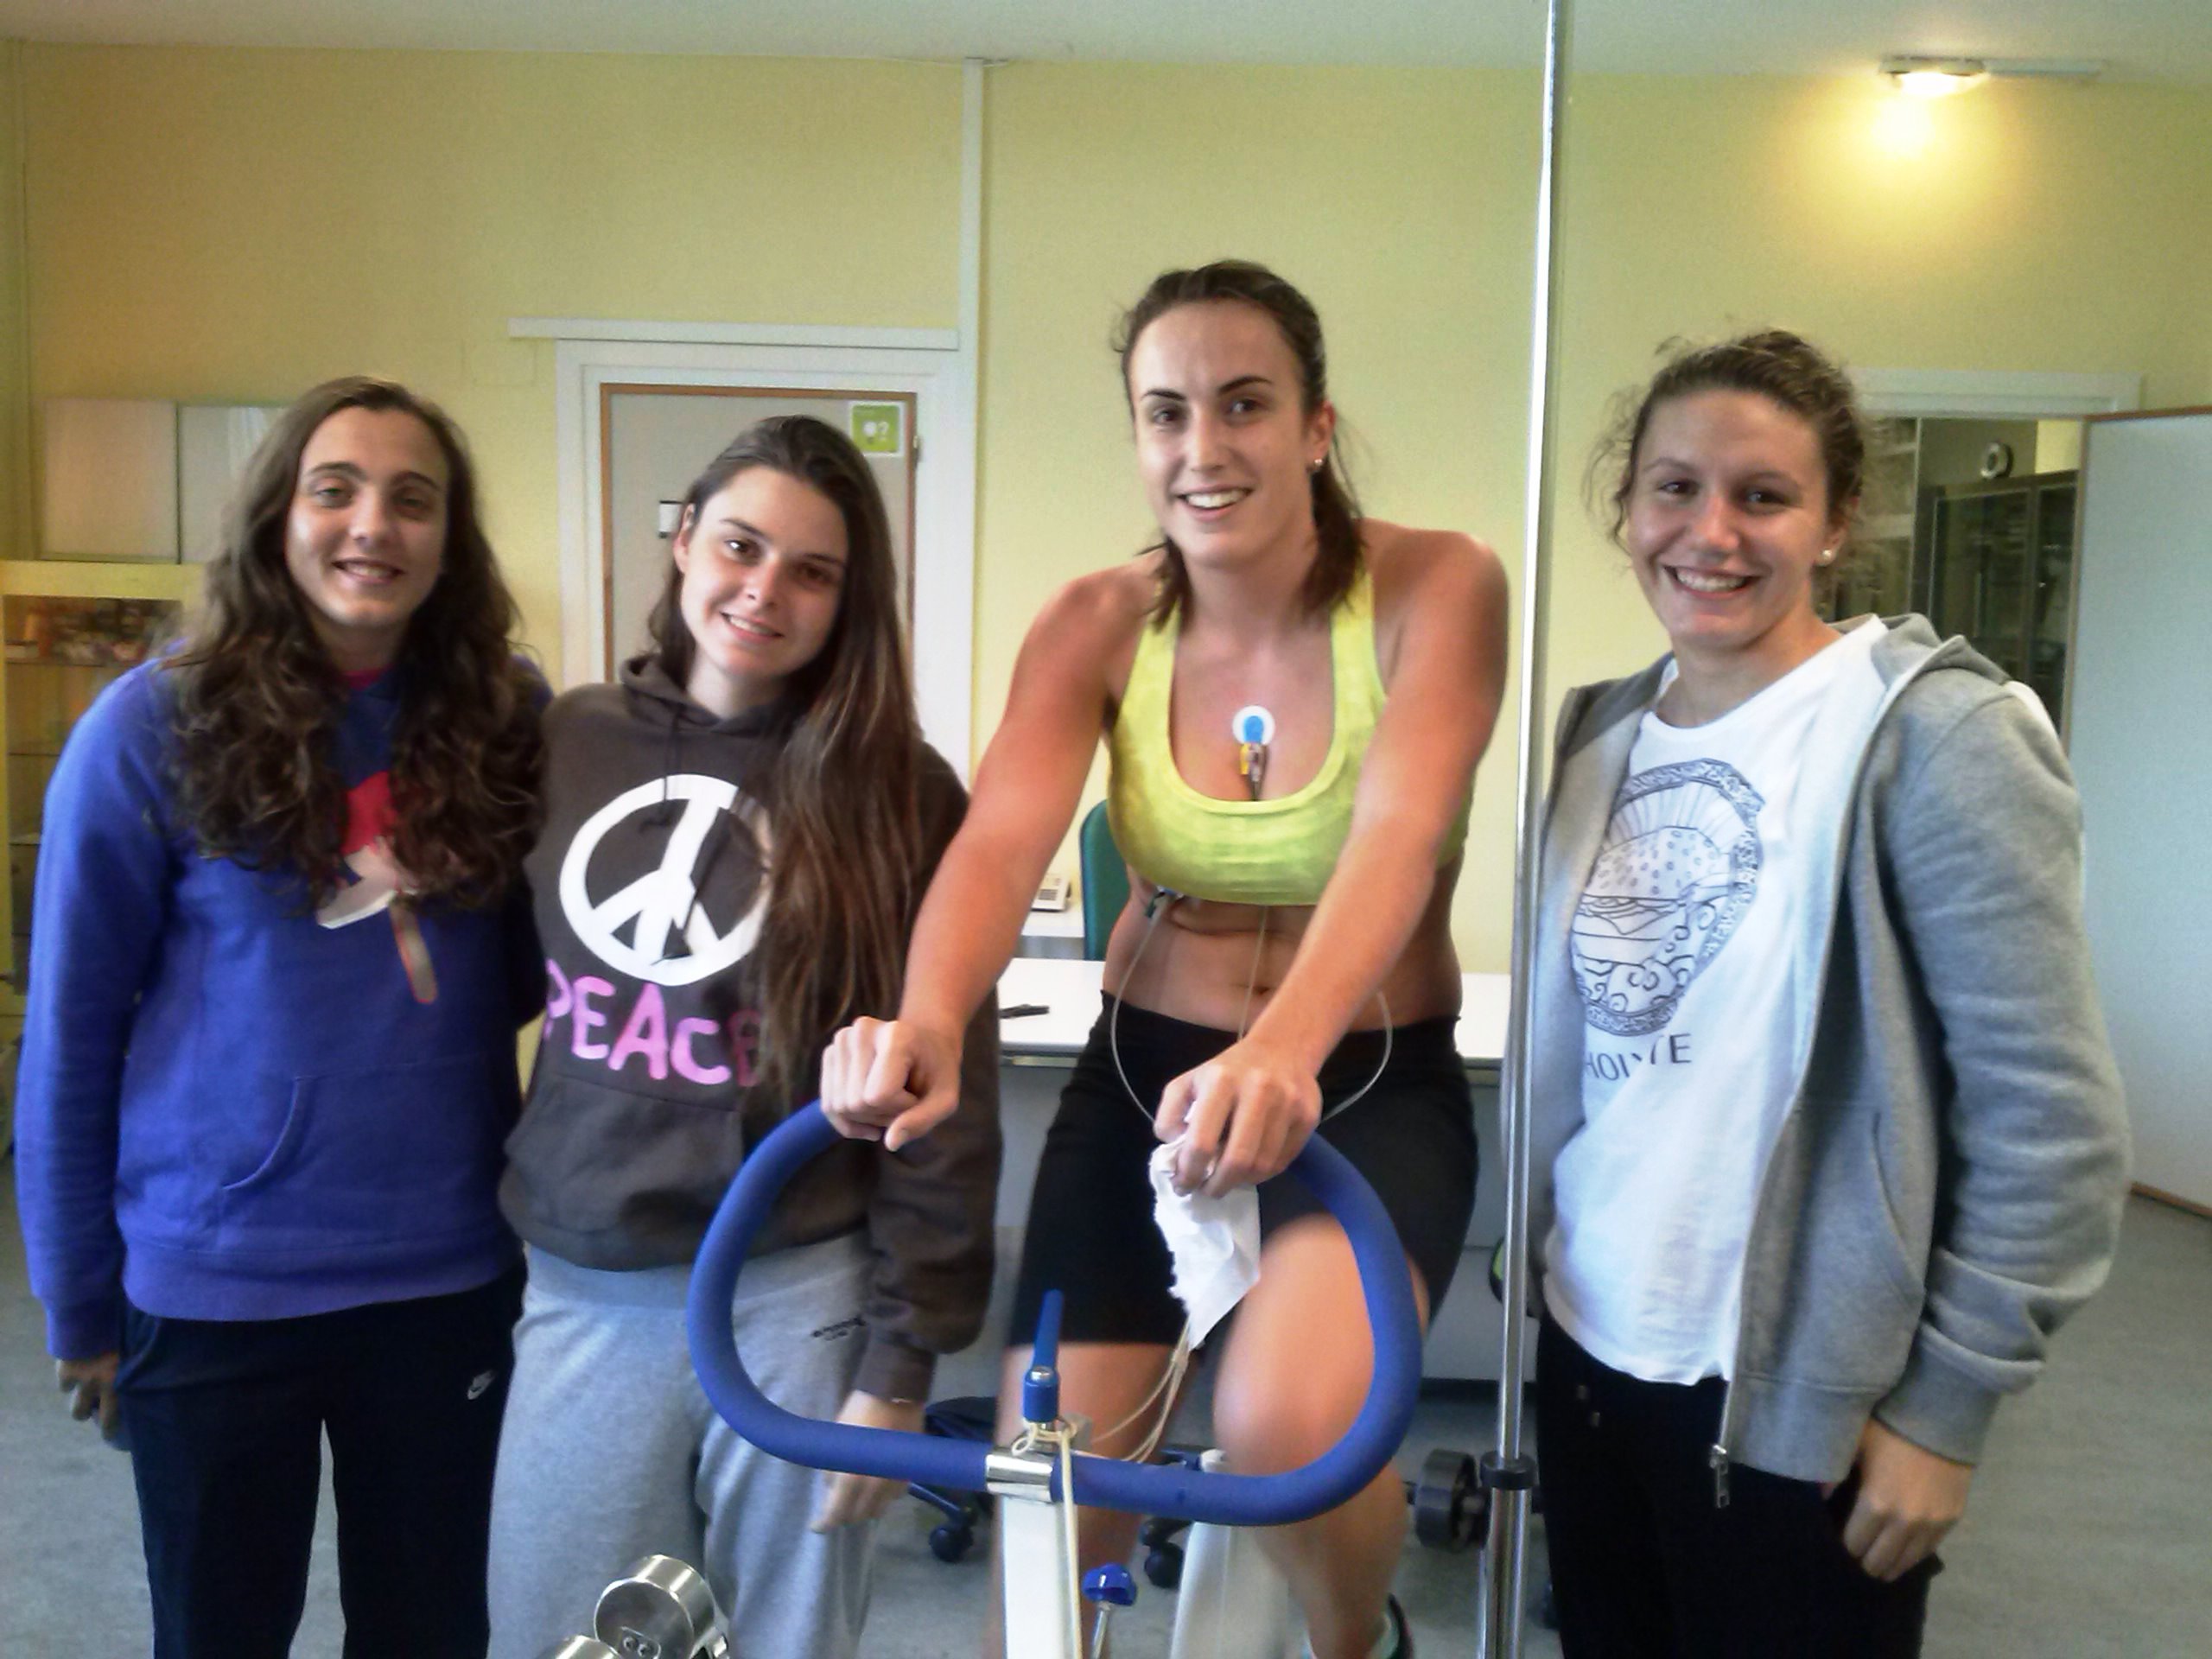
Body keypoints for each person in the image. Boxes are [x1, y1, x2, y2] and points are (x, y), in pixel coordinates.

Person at [823, 259, 1509, 1659]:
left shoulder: (1436, 586)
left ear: (1316, 426)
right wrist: (931, 1016)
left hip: (1364, 1078)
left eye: (1245, 404)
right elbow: (1000, 842)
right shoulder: (1097, 621)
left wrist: (1283, 1049)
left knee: (1284, 1428)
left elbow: (1399, 832)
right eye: (1167, 412)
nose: (1205, 447)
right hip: (1144, 1070)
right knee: (1056, 1494)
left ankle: (1354, 1640)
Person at [1525, 329, 2131, 1656]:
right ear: (1628, 507)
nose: (1711, 533)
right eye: (1675, 488)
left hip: (1796, 1409)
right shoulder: (1596, 736)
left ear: (1836, 522)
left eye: (1764, 495)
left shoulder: (1939, 739)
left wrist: (1946, 1413)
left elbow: (2053, 1125)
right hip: (1588, 1350)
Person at [15, 377, 544, 1658]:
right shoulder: (150, 725)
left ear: (451, 537)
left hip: (444, 1277)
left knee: (430, 1632)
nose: (373, 525)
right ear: (276, 518)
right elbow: (70, 1035)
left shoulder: (508, 716)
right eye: (335, 490)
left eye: (412, 499)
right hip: (216, 1285)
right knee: (219, 1633)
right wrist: (80, 1302)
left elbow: (540, 974)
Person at [484, 415, 1000, 1659]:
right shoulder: (567, 743)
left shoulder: (903, 793)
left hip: (796, 1298)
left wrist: (899, 1368)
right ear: (684, 544)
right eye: (739, 545)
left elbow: (946, 1099)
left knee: (785, 1642)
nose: (765, 589)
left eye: (812, 570)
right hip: (589, 1287)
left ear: (849, 600)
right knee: (558, 1635)